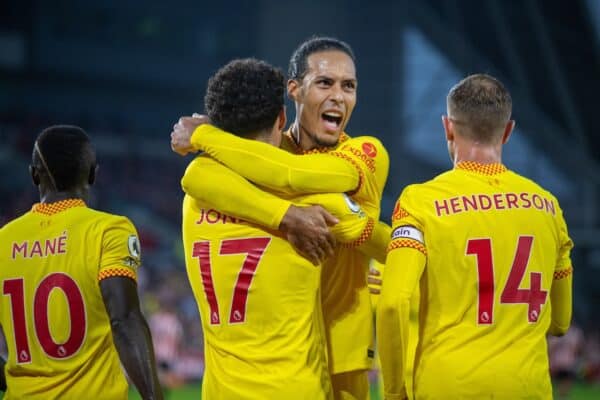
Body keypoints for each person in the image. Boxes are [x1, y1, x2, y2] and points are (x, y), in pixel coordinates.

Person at [171, 36, 390, 400]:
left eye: (348, 86)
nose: (338, 96)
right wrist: (288, 216)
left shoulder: (365, 153)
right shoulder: (258, 159)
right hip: (296, 360)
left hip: (341, 354)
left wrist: (206, 136)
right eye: (325, 83)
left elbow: (288, 174)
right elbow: (198, 176)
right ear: (294, 92)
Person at [377, 74, 574, 399]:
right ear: (508, 131)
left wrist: (395, 390)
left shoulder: (420, 201)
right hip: (527, 387)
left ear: (448, 127)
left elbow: (392, 304)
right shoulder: (548, 207)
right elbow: (561, 321)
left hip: (448, 386)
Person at [0, 126, 163, 399]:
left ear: (33, 175)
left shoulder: (4, 240)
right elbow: (124, 320)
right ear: (92, 174)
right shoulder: (109, 231)